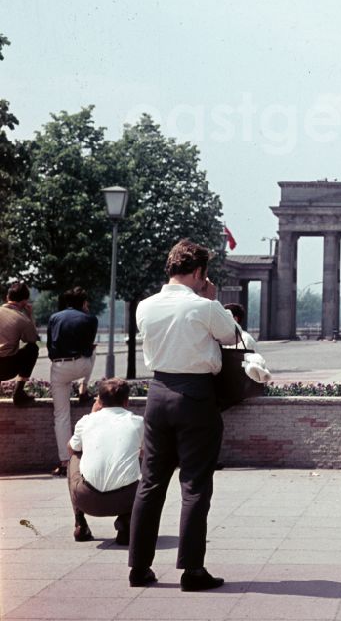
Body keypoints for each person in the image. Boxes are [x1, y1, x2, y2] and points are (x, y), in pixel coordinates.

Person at [128, 238, 238, 592]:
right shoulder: (203, 305)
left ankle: (139, 566)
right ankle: (192, 570)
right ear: (199, 272)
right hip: (194, 395)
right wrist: (211, 298)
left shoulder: (144, 306)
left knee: (150, 482)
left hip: (157, 394)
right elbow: (231, 335)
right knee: (194, 484)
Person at [66, 377, 143, 544]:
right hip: (125, 500)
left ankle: (80, 523)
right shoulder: (138, 423)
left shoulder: (86, 421)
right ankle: (126, 521)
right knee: (140, 455)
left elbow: (71, 448)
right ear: (126, 401)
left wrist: (93, 415)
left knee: (75, 455)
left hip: (87, 499)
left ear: (99, 400)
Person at [47, 286, 99, 477]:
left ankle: (64, 461)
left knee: (61, 415)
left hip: (60, 367)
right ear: (84, 303)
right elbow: (88, 344)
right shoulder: (90, 319)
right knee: (93, 351)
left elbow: (49, 346)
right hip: (81, 365)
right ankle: (83, 387)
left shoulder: (54, 318)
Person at [0, 281, 40, 406]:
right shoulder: (22, 320)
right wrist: (29, 315)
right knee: (32, 348)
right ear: (24, 302)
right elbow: (33, 339)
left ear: (7, 297)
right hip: (6, 369)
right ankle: (18, 392)